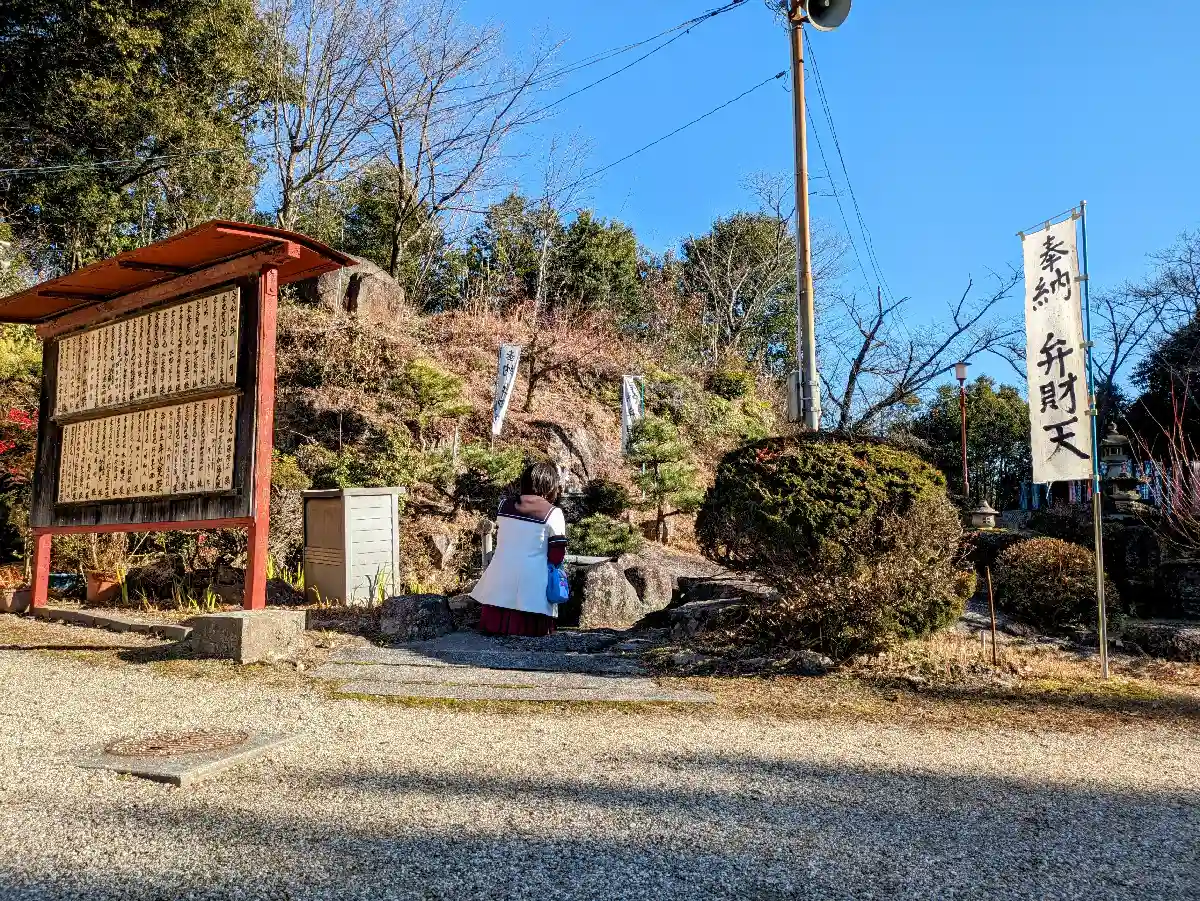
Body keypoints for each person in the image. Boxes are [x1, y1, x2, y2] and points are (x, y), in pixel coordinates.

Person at [471, 462, 568, 637]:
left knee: (494, 628)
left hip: (500, 577)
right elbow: (557, 554)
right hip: (533, 582)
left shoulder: (504, 506)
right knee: (529, 631)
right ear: (550, 485)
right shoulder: (553, 513)